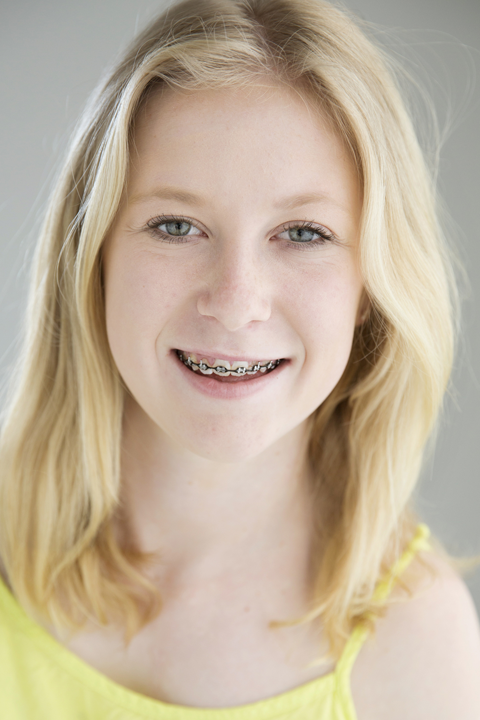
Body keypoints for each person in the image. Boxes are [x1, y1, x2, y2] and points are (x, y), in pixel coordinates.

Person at [0, 0, 479, 717]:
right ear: (94, 258)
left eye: (303, 233)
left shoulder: (416, 643)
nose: (234, 301)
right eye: (176, 225)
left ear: (371, 287)